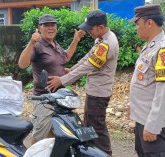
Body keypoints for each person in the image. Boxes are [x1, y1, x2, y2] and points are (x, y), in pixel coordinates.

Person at [47, 10, 119, 156]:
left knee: (96, 128)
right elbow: (88, 57)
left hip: (98, 94)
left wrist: (62, 80)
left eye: (90, 28)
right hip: (95, 91)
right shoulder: (101, 39)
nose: (88, 31)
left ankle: (105, 154)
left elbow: (88, 66)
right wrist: (71, 69)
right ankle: (91, 153)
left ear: (100, 27)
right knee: (90, 127)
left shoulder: (107, 43)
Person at [18, 14, 85, 145]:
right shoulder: (37, 45)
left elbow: (65, 58)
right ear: (39, 28)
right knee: (39, 137)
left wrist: (75, 40)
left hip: (59, 99)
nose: (50, 28)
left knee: (57, 135)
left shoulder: (55, 44)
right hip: (44, 99)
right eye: (46, 25)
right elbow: (22, 64)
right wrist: (31, 43)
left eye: (53, 25)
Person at [128, 4, 165, 157]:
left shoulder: (164, 49)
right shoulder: (150, 46)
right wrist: (133, 107)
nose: (136, 28)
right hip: (143, 117)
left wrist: (153, 126)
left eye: (137, 23)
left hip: (152, 122)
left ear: (149, 23)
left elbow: (163, 92)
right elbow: (145, 83)